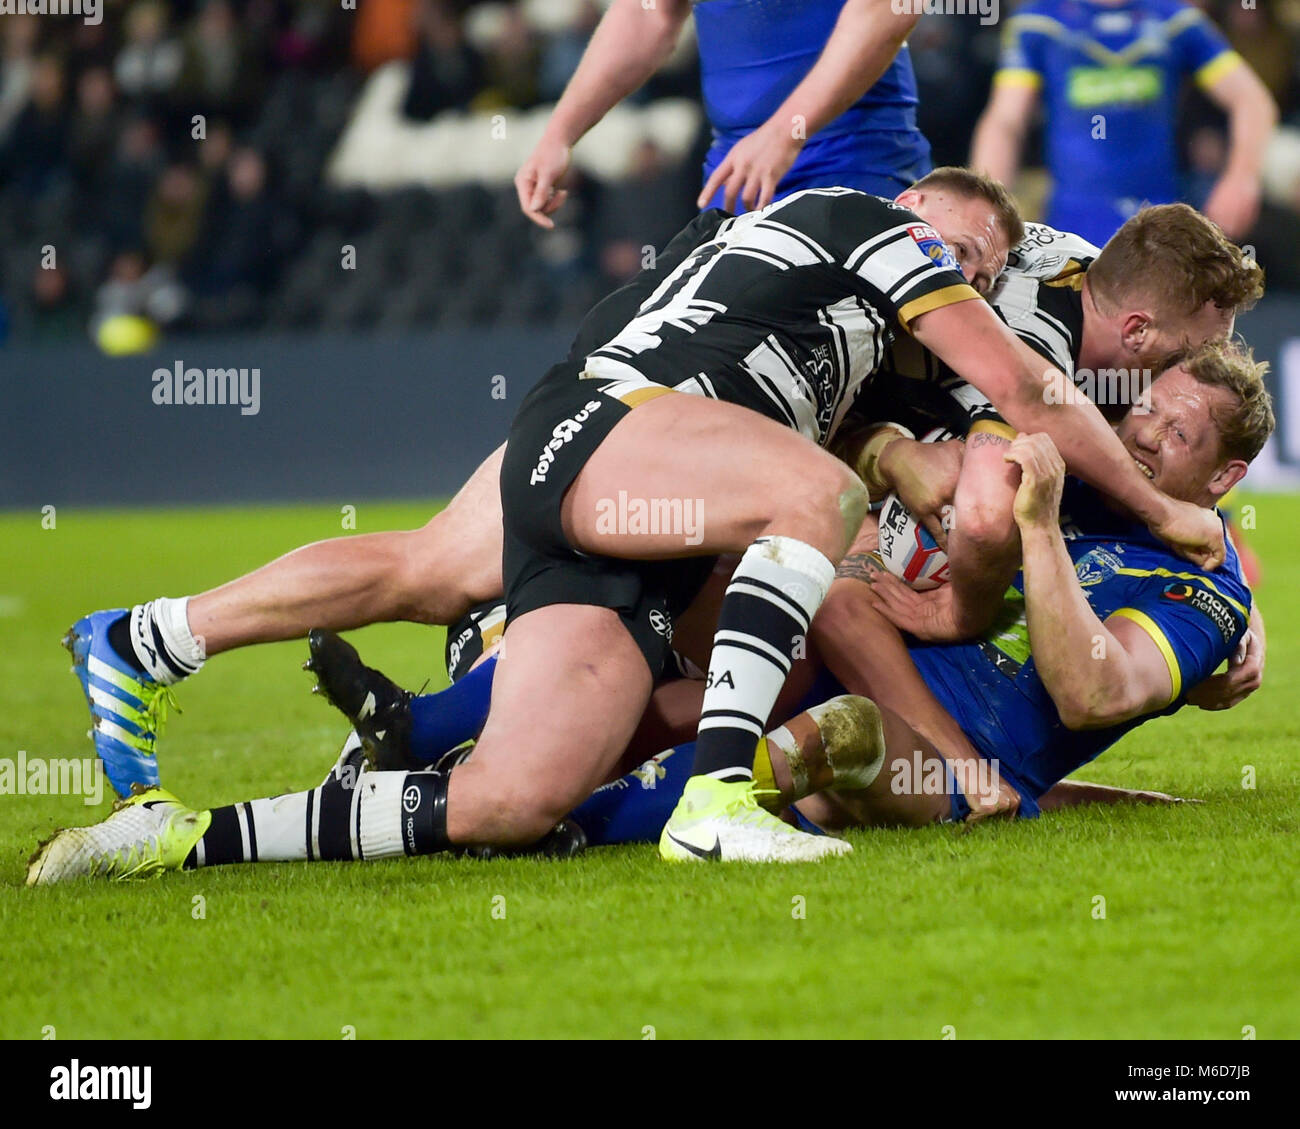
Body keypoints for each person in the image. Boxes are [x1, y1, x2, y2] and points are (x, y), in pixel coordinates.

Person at [66, 189, 1255, 812]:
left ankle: (151, 636)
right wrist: (1166, 526)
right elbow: (1007, 436)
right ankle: (724, 795)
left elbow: (1074, 287)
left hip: (591, 402)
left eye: (986, 267)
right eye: (968, 262)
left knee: (435, 576)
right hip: (659, 431)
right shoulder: (914, 257)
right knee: (805, 535)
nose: (974, 280)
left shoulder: (848, 239)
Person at [27, 341, 1272, 883]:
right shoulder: (1090, 483)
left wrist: (1034, 537)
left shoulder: (1193, 585)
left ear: (1221, 477)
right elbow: (921, 469)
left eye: (1170, 430)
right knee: (641, 682)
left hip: (896, 730)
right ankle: (430, 731)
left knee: (800, 732)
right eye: (1142, 407)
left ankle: (358, 758)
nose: (1136, 430)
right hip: (809, 633)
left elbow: (1088, 691)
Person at [515, 0, 929, 224]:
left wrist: (785, 132)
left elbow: (887, 7)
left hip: (859, 162)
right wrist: (559, 134)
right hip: (734, 182)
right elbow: (649, 15)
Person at [971, 0, 1277, 243]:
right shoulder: (1039, 22)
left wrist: (1241, 178)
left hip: (1160, 221)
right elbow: (1005, 122)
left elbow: (1252, 101)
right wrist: (986, 208)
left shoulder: (1174, 19)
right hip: (1072, 221)